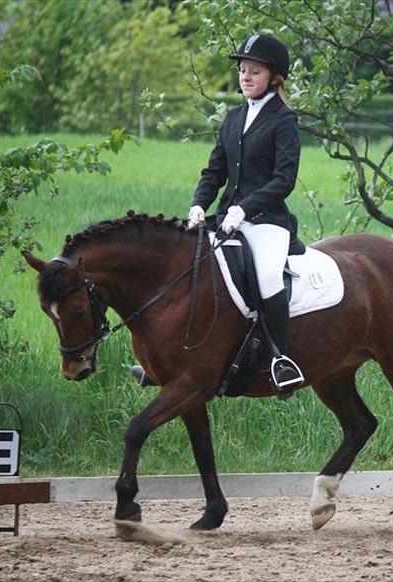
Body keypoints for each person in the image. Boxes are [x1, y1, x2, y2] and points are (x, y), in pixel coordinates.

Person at [133, 33, 303, 392]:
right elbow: (215, 172)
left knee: (269, 276)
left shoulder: (283, 120)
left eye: (254, 71)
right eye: (243, 70)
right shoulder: (233, 118)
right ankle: (173, 357)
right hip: (227, 218)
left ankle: (279, 359)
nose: (245, 77)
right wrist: (199, 203)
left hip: (267, 222)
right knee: (190, 266)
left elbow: (284, 179)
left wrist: (245, 208)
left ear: (274, 77)